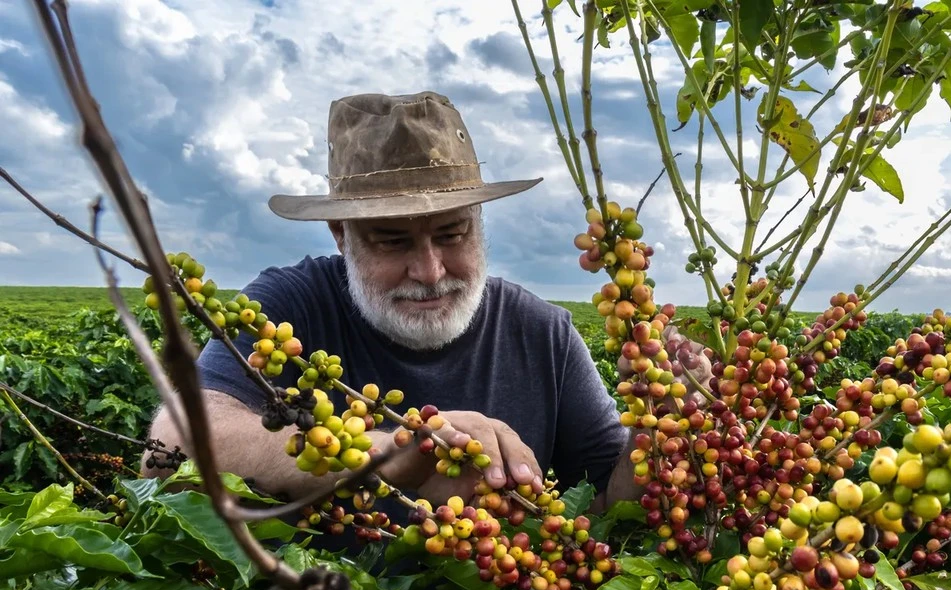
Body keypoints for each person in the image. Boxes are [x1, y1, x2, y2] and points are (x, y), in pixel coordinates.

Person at [142, 91, 659, 550]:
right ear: (340, 234)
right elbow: (169, 451)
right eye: (393, 241)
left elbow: (607, 512)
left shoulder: (544, 333)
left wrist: (660, 431)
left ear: (479, 224)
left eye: (452, 234)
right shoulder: (288, 307)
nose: (430, 271)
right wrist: (387, 455)